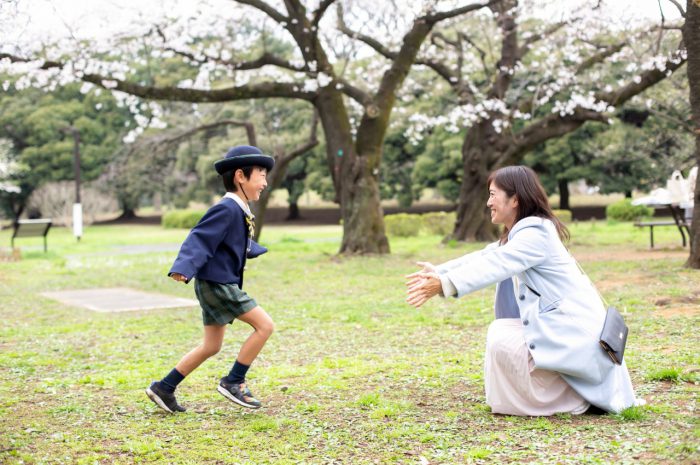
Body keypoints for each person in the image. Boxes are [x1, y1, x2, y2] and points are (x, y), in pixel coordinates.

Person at [406, 165, 642, 416]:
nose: (488, 203)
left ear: (515, 199)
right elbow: (487, 255)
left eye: (493, 195)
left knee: (502, 336)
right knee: (502, 331)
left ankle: (574, 399)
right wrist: (440, 273)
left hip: (577, 336)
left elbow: (496, 264)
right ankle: (555, 395)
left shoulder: (535, 234)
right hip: (567, 332)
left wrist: (443, 284)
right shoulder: (523, 233)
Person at [146, 145, 275, 414]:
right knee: (265, 326)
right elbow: (200, 238)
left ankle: (164, 387)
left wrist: (252, 248)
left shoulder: (239, 209)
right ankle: (234, 381)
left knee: (211, 345)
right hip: (217, 284)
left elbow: (231, 241)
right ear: (241, 176)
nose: (265, 182)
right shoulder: (227, 208)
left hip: (215, 282)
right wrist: (183, 267)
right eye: (261, 175)